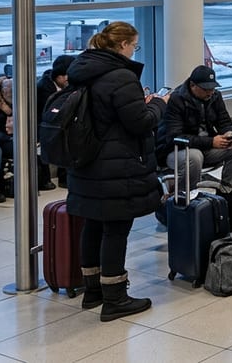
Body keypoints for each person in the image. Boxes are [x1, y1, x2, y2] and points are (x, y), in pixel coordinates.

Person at [65, 21, 167, 320]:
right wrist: (158, 104)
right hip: (116, 165)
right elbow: (140, 122)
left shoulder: (82, 69)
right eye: (134, 45)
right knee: (116, 229)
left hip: (86, 162)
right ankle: (115, 298)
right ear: (123, 45)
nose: (135, 50)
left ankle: (92, 290)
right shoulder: (120, 76)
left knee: (93, 224)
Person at [157, 65, 232, 193]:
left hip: (206, 147)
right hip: (176, 150)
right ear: (192, 85)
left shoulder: (215, 96)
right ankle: (188, 195)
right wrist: (211, 142)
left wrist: (229, 133)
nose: (210, 92)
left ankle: (228, 190)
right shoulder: (176, 99)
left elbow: (224, 121)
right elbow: (175, 137)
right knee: (194, 156)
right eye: (206, 89)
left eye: (212, 88)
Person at [37, 54, 76, 189]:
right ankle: (62, 177)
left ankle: (65, 176)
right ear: (60, 77)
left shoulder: (62, 87)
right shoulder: (44, 89)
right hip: (42, 127)